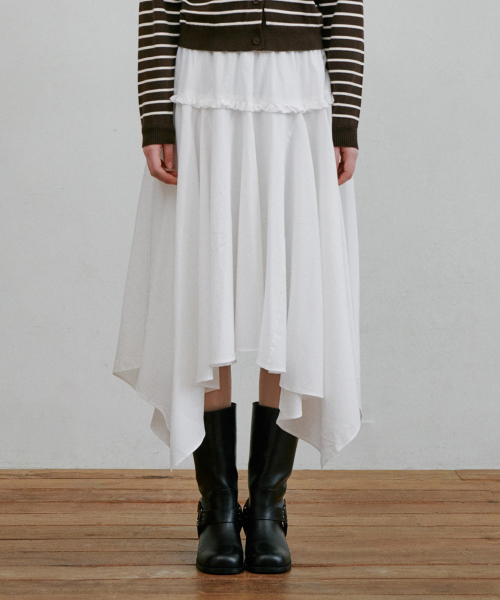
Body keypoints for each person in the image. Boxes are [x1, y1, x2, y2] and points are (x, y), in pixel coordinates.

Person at [113, 0, 364, 575]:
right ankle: (219, 508)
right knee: (208, 282)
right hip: (204, 88)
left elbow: (344, 9)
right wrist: (156, 119)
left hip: (299, 92)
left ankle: (269, 507)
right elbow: (159, 10)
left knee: (291, 285)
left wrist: (345, 119)